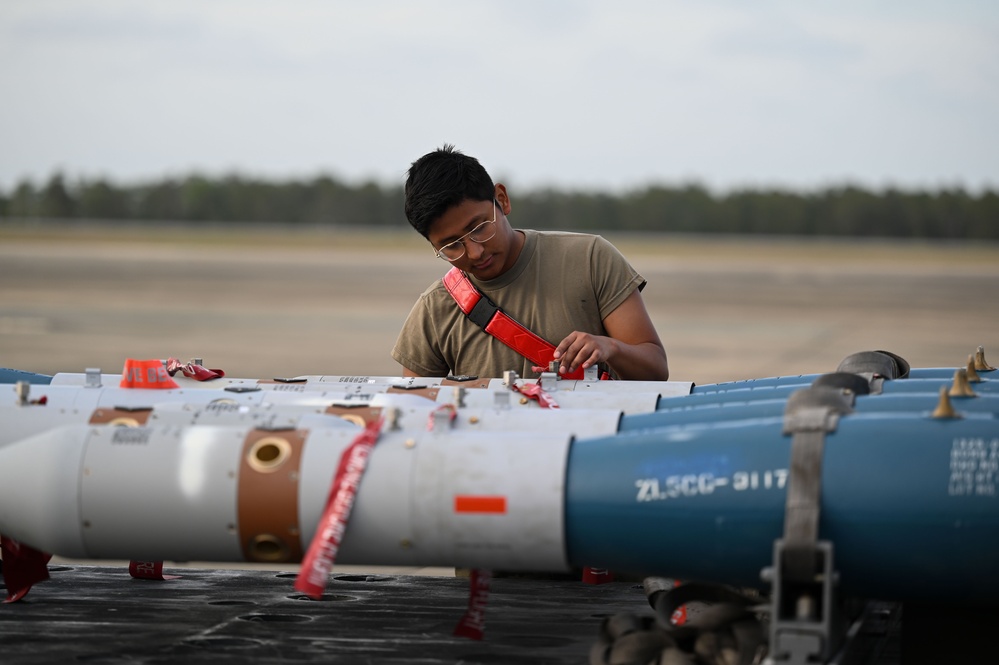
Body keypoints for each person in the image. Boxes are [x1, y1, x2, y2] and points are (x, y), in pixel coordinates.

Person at [391, 145, 668, 382]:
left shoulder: (591, 258)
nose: (474, 252)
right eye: (452, 245)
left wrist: (611, 348)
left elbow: (656, 370)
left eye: (478, 227)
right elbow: (416, 407)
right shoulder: (434, 308)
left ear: (502, 199)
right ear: (434, 246)